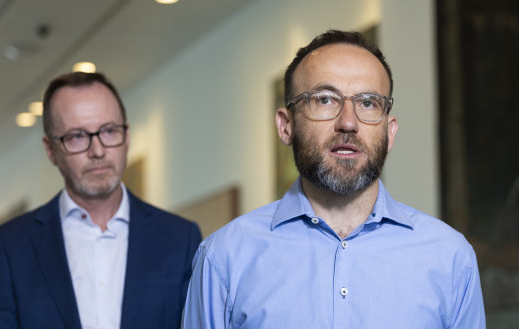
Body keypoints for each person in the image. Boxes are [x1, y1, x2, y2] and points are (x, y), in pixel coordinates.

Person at [182, 30, 485, 329]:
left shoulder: (451, 259)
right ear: (286, 126)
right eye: (325, 99)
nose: (349, 123)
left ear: (389, 132)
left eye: (368, 102)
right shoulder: (223, 259)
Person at [0, 72, 202, 329]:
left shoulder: (181, 239)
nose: (98, 151)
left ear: (126, 137)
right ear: (51, 150)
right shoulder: (9, 249)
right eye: (77, 136)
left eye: (109, 131)